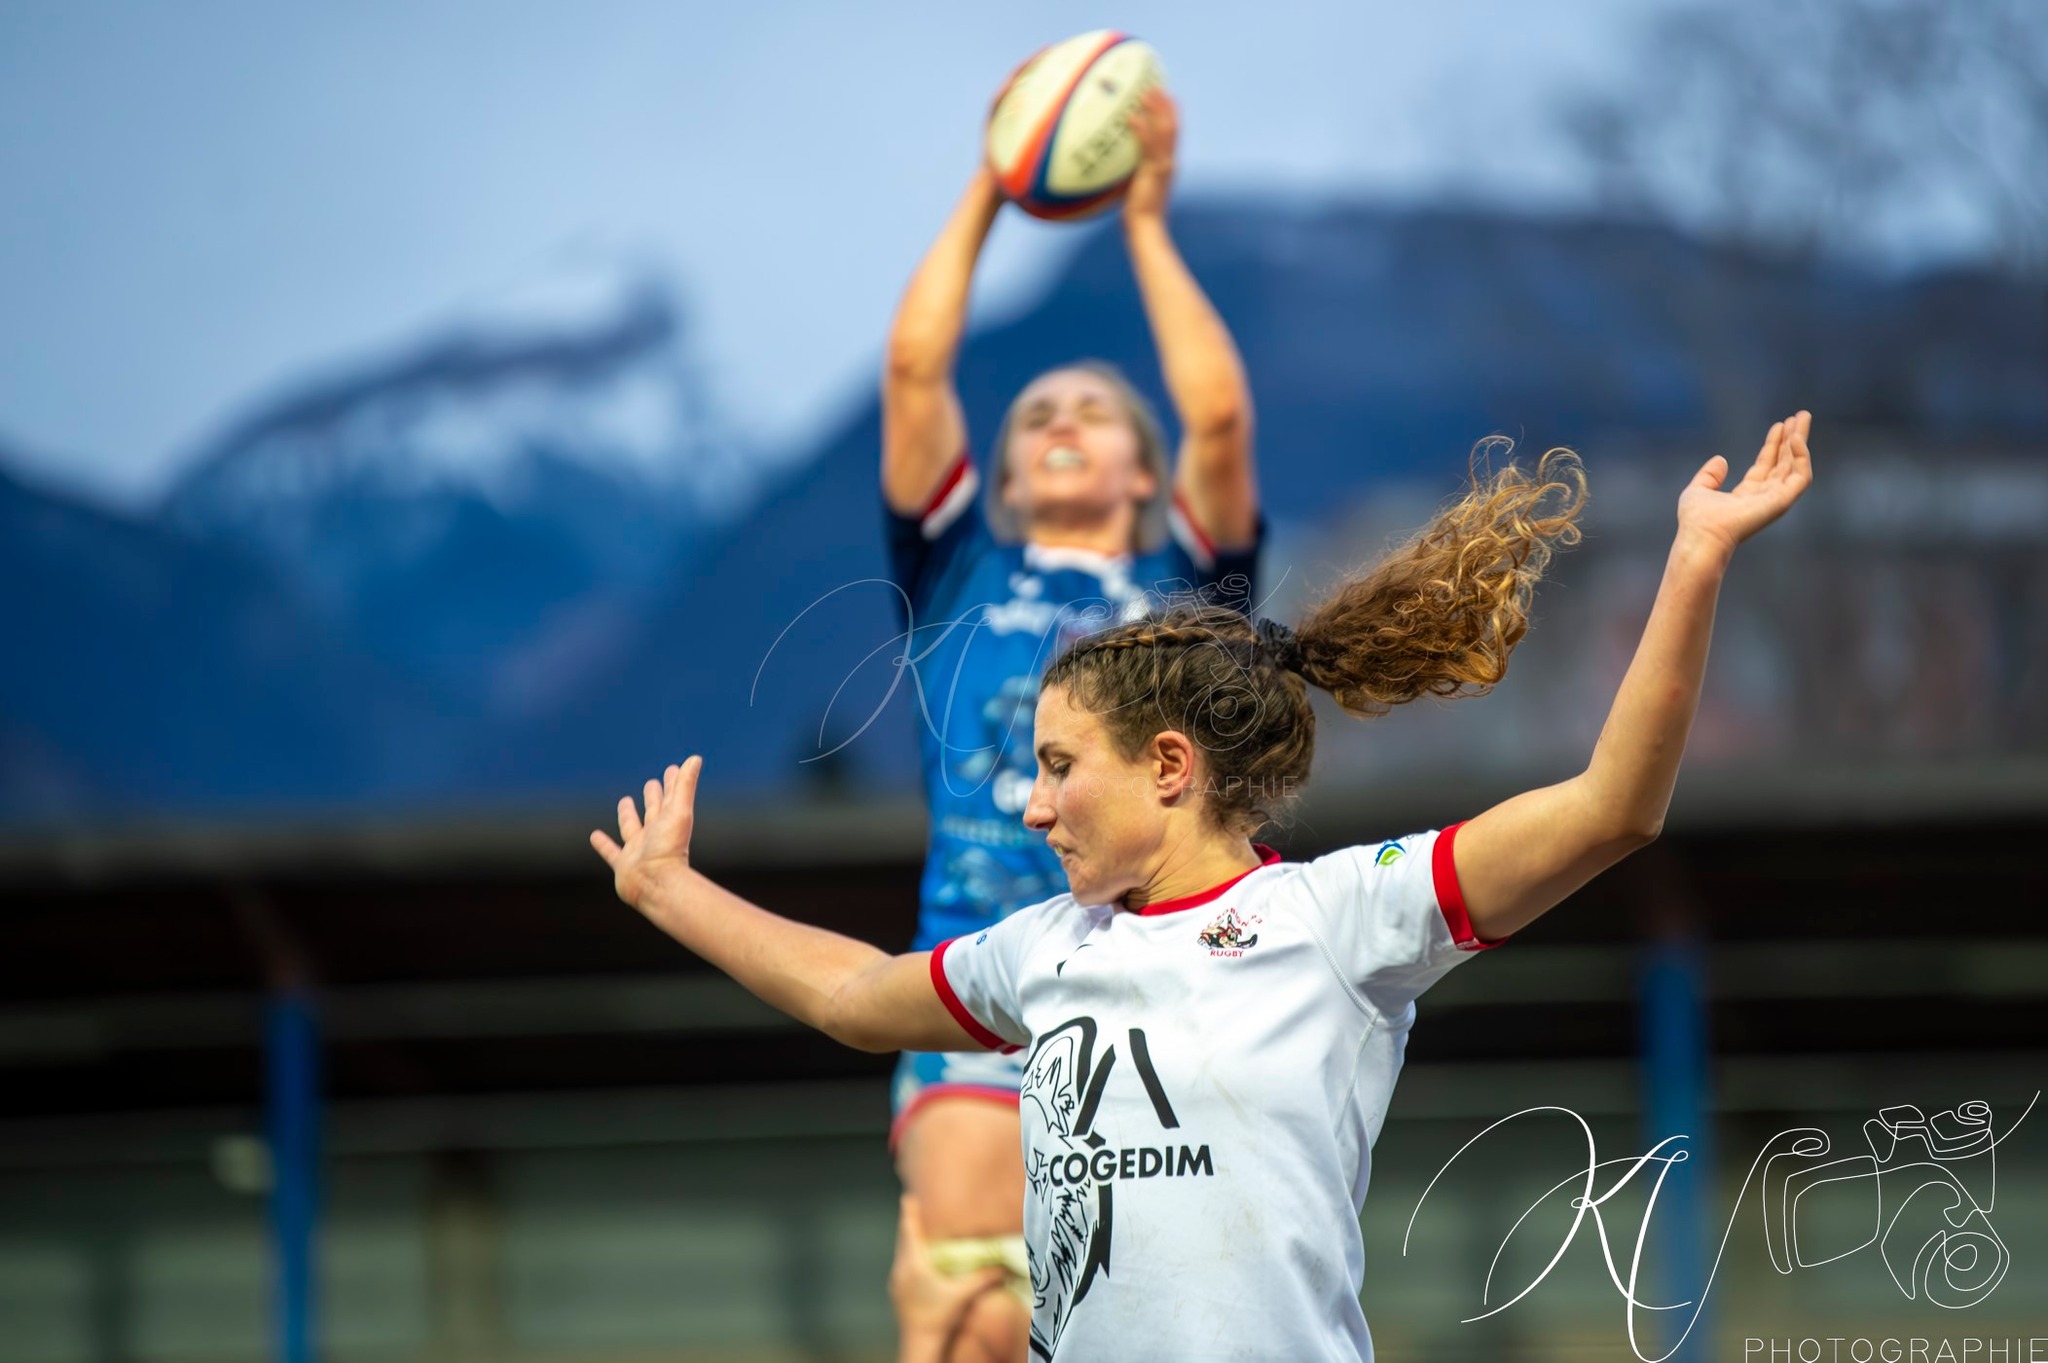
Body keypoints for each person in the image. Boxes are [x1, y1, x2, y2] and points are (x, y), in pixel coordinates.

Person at [593, 415, 1815, 1360]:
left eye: (1059, 766)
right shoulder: (1043, 948)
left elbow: (1612, 807)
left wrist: (1696, 558)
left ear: (1168, 767)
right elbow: (857, 996)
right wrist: (666, 891)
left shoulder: (1339, 917)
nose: (1031, 804)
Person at [877, 87, 1260, 1358]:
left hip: (1167, 988)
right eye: (1033, 413)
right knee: (974, 1320)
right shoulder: (954, 577)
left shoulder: (1190, 602)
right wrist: (993, 183)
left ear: (1144, 475)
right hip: (981, 983)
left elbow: (1216, 415)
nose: (1055, 422)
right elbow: (915, 368)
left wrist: (1144, 219)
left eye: (1090, 412)